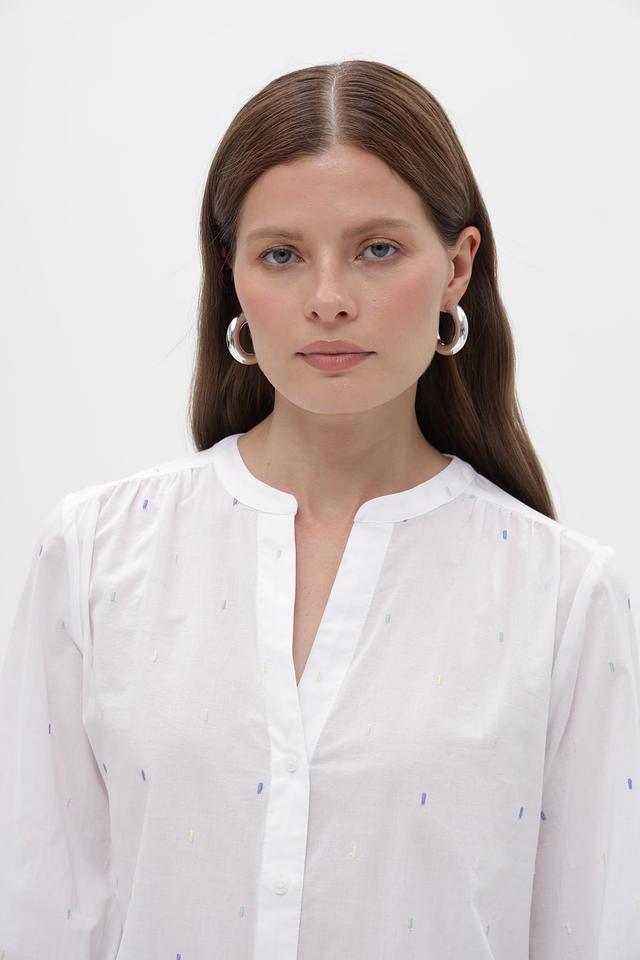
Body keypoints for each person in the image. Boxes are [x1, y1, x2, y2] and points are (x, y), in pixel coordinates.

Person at [1, 59, 639, 960]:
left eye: (377, 250)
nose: (328, 300)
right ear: (231, 272)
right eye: (282, 255)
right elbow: (43, 917)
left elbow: (593, 932)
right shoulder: (95, 555)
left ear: (457, 268)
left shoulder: (564, 597)